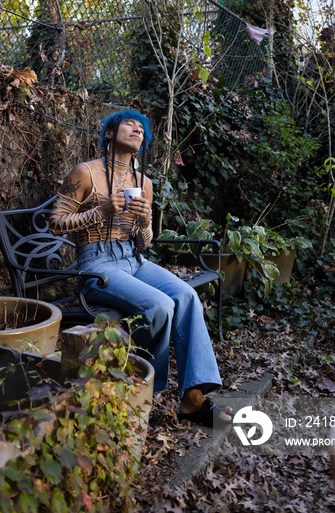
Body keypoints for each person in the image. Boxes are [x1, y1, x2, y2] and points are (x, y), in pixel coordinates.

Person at [49, 108, 231, 427]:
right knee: (160, 305)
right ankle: (153, 395)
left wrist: (145, 222)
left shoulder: (142, 183)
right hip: (97, 265)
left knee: (186, 296)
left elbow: (144, 242)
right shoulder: (85, 172)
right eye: (129, 124)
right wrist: (103, 209)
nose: (137, 129)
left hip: (133, 260)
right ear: (109, 133)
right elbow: (56, 224)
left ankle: (192, 397)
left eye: (142, 128)